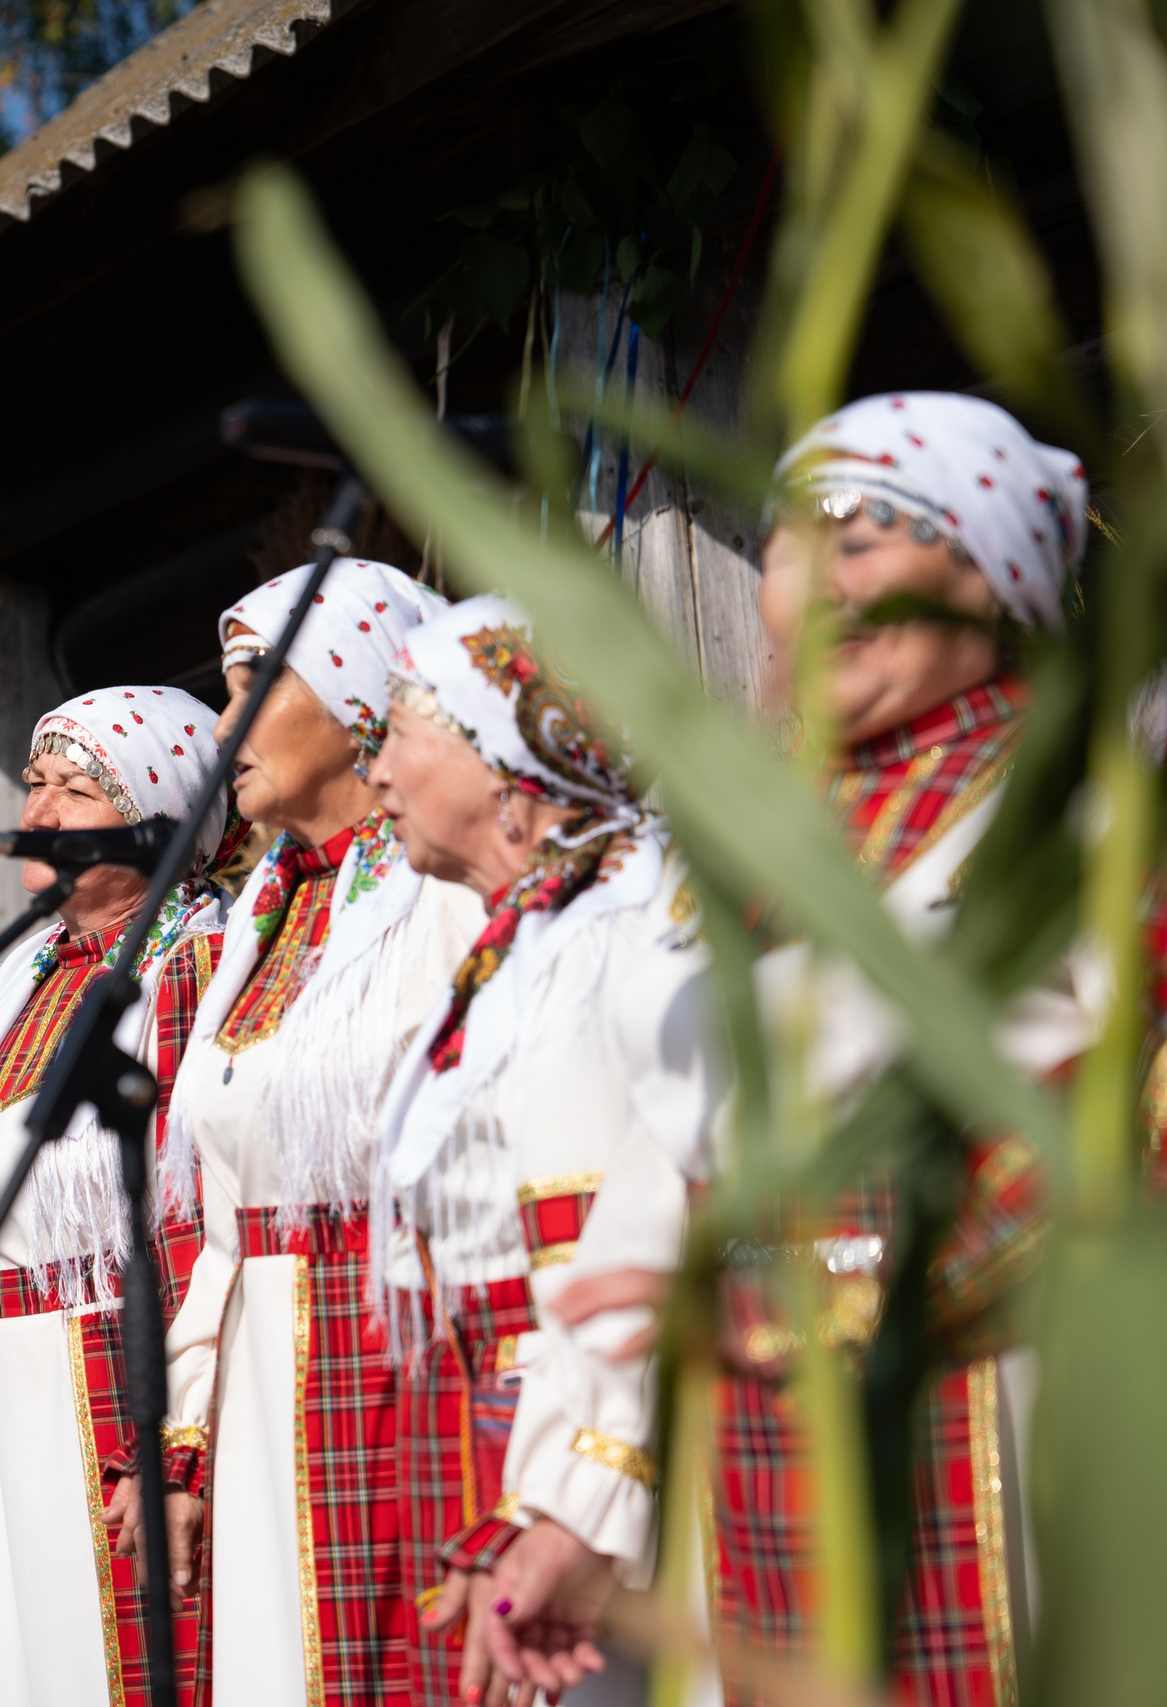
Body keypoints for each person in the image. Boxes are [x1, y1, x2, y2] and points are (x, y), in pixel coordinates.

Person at [703, 393, 1088, 1703]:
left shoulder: (1071, 810)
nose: (811, 591)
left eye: (861, 542)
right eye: (784, 549)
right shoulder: (764, 846)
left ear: (992, 575)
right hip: (767, 1390)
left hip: (989, 1383)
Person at [136, 561, 482, 1706]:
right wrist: (183, 1437)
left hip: (406, 1354)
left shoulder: (447, 891)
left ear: (357, 692)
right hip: (264, 1386)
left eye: (250, 683)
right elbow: (217, 1226)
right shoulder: (256, 920)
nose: (222, 722)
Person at [365, 598, 718, 1707]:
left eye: (396, 736)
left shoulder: (630, 924)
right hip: (506, 1440)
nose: (376, 775)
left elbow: (643, 1222)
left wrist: (573, 1494)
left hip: (604, 1463)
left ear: (493, 745)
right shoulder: (529, 939)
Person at [0, 685, 235, 1707]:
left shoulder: (200, 962)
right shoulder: (18, 983)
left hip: (113, 1390)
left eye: (73, 788)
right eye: (33, 783)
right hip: (12, 1410)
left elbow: (189, 1222)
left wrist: (168, 1450)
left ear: (157, 814)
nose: (34, 812)